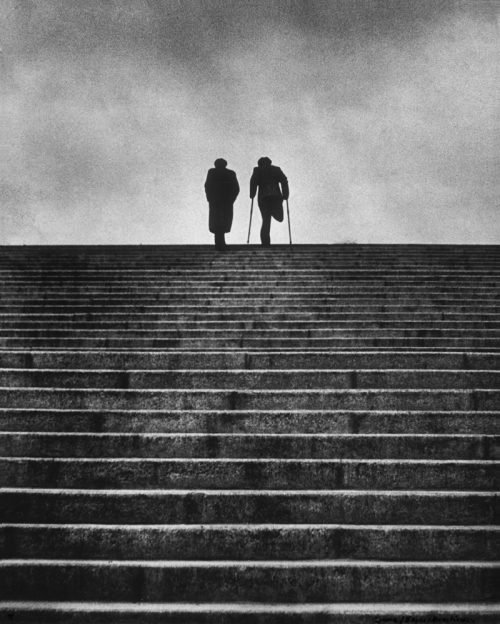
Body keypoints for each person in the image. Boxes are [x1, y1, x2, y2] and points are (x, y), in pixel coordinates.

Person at [249, 157, 289, 246]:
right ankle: (265, 242)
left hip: (266, 198)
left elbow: (253, 182)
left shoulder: (259, 170)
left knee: (269, 219)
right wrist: (285, 194)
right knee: (269, 219)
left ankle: (265, 242)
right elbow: (284, 181)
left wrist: (252, 193)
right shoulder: (274, 169)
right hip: (271, 198)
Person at [204, 158, 240, 250]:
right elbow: (236, 188)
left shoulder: (212, 172)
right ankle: (220, 242)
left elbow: (207, 186)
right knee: (222, 220)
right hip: (224, 201)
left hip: (218, 200)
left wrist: (209, 197)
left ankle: (219, 242)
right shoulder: (230, 173)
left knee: (218, 221)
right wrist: (231, 199)